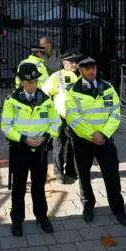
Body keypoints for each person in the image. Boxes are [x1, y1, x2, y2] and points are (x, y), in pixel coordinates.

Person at [65, 56, 126, 226]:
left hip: (105, 140)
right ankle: (88, 205)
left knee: (112, 174)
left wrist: (103, 133)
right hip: (82, 140)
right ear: (80, 70)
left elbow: (115, 113)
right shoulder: (73, 90)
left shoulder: (107, 87)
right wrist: (91, 135)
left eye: (93, 68)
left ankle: (118, 208)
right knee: (84, 175)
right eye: (87, 69)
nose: (91, 71)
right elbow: (73, 118)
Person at [2, 63, 61, 237]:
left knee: (39, 185)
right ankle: (17, 221)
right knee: (19, 187)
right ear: (21, 81)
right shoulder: (12, 100)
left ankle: (42, 217)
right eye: (30, 81)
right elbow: (6, 126)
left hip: (40, 150)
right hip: (20, 149)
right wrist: (23, 138)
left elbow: (56, 122)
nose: (34, 84)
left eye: (36, 80)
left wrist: (45, 136)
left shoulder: (46, 100)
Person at [41, 49, 80, 183]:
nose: (74, 65)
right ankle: (58, 172)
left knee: (72, 145)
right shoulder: (56, 76)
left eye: (76, 62)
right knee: (59, 145)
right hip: (60, 116)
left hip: (74, 117)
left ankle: (71, 170)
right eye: (72, 62)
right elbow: (44, 95)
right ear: (64, 63)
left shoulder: (80, 75)